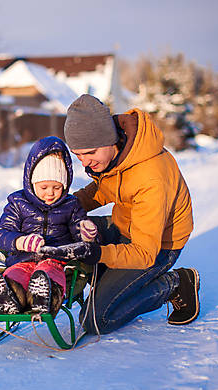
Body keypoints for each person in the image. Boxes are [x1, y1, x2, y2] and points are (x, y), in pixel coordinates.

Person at [40, 94, 199, 334]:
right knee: (61, 226)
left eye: (89, 152)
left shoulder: (150, 177)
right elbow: (105, 188)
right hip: (123, 227)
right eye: (78, 155)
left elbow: (144, 253)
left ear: (108, 139)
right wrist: (61, 208)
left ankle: (175, 284)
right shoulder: (119, 154)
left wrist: (98, 253)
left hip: (157, 247)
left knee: (95, 320)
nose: (84, 162)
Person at [0, 136, 98, 315]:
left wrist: (87, 235)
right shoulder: (18, 202)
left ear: (65, 184)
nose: (50, 193)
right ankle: (8, 296)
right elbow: (2, 232)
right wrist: (20, 242)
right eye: (44, 187)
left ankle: (43, 297)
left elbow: (79, 237)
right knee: (16, 274)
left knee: (48, 272)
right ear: (32, 182)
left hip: (55, 258)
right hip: (23, 258)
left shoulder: (71, 205)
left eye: (57, 187)